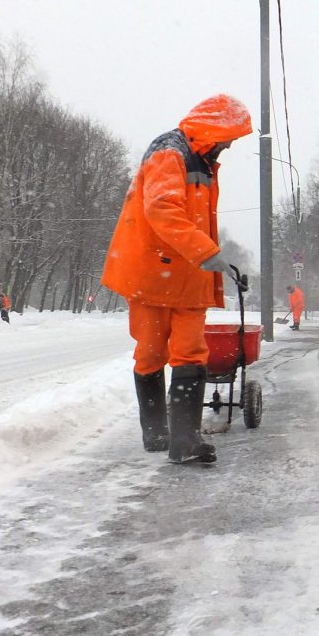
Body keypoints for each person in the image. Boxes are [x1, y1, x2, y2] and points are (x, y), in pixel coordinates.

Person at [101, 94, 252, 464]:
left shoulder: (200, 158)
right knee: (150, 354)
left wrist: (205, 256)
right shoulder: (169, 153)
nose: (231, 144)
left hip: (187, 277)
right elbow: (161, 208)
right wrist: (206, 251)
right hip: (153, 273)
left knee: (190, 353)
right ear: (213, 128)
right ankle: (155, 433)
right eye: (230, 135)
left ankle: (184, 442)